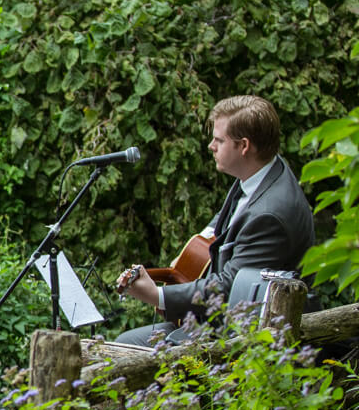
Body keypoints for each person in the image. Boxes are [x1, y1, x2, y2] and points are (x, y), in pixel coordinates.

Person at [116, 95, 315, 345]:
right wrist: (195, 249)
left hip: (246, 334)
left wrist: (158, 294)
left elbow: (229, 288)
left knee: (126, 346)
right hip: (226, 317)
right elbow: (228, 219)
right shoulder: (261, 172)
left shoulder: (269, 215)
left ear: (244, 146)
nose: (211, 145)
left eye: (219, 140)